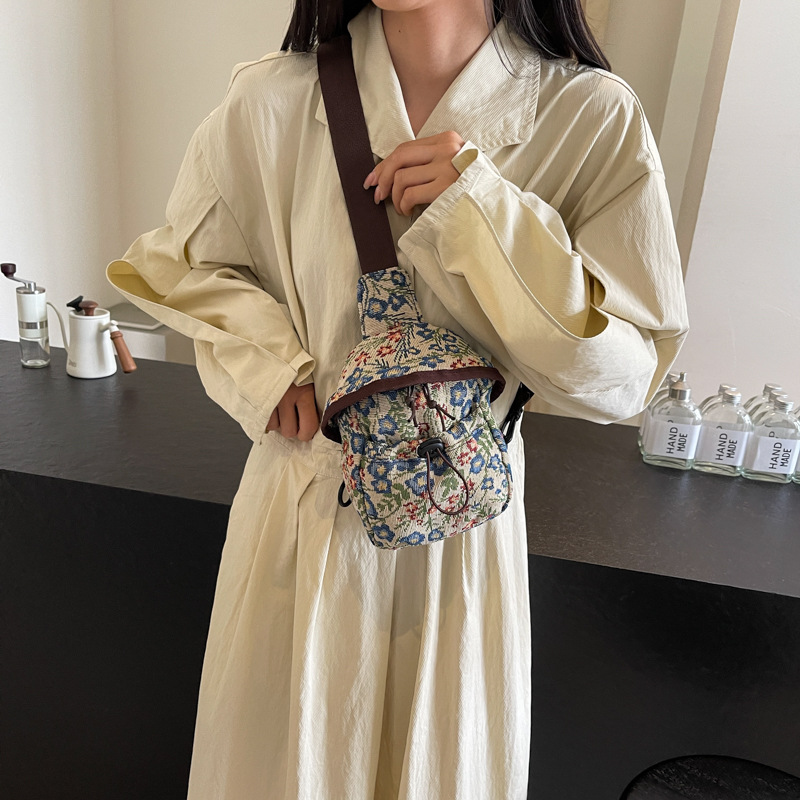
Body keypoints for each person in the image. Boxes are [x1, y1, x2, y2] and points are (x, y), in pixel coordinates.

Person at [107, 0, 688, 796]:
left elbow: (623, 378)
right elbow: (182, 264)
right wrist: (266, 360)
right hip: (304, 517)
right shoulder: (271, 100)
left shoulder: (587, 118)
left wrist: (488, 218)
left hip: (462, 538)